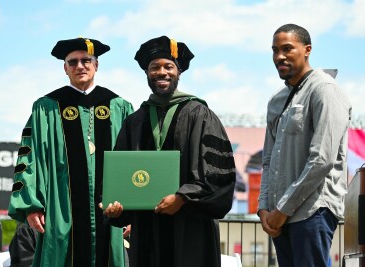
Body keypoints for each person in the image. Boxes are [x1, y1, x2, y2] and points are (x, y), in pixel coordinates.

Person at [101, 35, 236, 267]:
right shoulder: (135, 121)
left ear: (179, 72)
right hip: (146, 230)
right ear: (147, 73)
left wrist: (183, 198)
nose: (162, 72)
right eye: (155, 67)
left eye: (168, 66)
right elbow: (121, 176)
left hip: (190, 228)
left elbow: (218, 176)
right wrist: (116, 207)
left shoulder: (199, 114)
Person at [8, 37, 134, 266]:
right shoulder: (46, 108)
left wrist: (132, 209)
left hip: (111, 210)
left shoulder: (119, 106)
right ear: (65, 68)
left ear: (96, 65)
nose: (80, 66)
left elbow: (131, 160)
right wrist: (32, 205)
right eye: (73, 62)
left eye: (86, 60)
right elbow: (30, 156)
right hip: (60, 209)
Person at [257, 24, 351, 267]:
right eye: (275, 50)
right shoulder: (277, 100)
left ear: (307, 49)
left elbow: (322, 159)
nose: (279, 56)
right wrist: (264, 209)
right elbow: (267, 161)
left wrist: (283, 210)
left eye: (287, 49)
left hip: (312, 211)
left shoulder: (325, 90)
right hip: (278, 216)